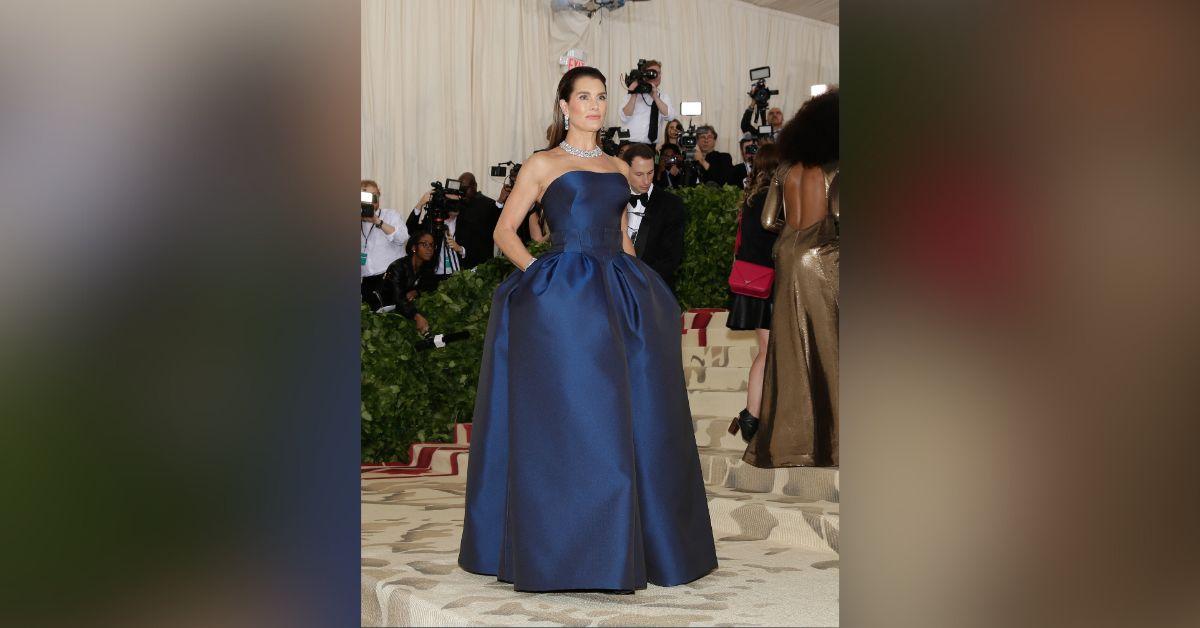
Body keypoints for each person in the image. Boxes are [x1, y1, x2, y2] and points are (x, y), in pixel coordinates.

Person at [459, 66, 717, 593]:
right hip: (563, 298)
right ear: (564, 106)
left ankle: (631, 542)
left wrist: (647, 294)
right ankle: (564, 544)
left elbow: (623, 236)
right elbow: (504, 231)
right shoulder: (542, 163)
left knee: (629, 413)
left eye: (601, 97)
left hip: (617, 289)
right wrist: (537, 274)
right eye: (584, 97)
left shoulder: (619, 166)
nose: (594, 106)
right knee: (576, 415)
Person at [743, 88, 839, 468]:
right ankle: (835, 441)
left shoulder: (784, 170)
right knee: (832, 347)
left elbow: (768, 221)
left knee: (790, 348)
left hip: (785, 255)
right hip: (825, 257)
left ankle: (791, 443)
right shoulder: (836, 169)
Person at [722, 143, 782, 442]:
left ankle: (752, 414)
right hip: (771, 284)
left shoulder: (752, 199)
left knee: (766, 351)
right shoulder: (774, 200)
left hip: (756, 284)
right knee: (768, 351)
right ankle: (753, 414)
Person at [623, 143, 687, 291]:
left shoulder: (671, 205)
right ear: (625, 170)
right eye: (639, 174)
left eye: (650, 173)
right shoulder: (612, 201)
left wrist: (639, 282)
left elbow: (671, 258)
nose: (646, 180)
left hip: (654, 290)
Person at [360, 179, 408, 310]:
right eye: (366, 197)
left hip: (390, 279)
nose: (372, 200)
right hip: (368, 283)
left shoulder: (390, 215)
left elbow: (402, 238)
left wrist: (377, 221)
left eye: (375, 196)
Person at [379, 230, 437, 335]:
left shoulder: (427, 267)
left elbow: (431, 287)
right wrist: (416, 316)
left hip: (408, 309)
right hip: (387, 312)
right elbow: (398, 298)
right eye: (425, 244)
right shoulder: (397, 267)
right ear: (414, 248)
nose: (430, 249)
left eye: (432, 245)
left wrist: (417, 292)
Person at [619, 60, 676, 145]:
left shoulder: (663, 97)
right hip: (629, 144)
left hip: (650, 147)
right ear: (644, 75)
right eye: (652, 73)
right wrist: (634, 93)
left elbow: (670, 116)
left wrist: (655, 97)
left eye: (659, 73)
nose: (657, 76)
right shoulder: (631, 95)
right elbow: (624, 116)